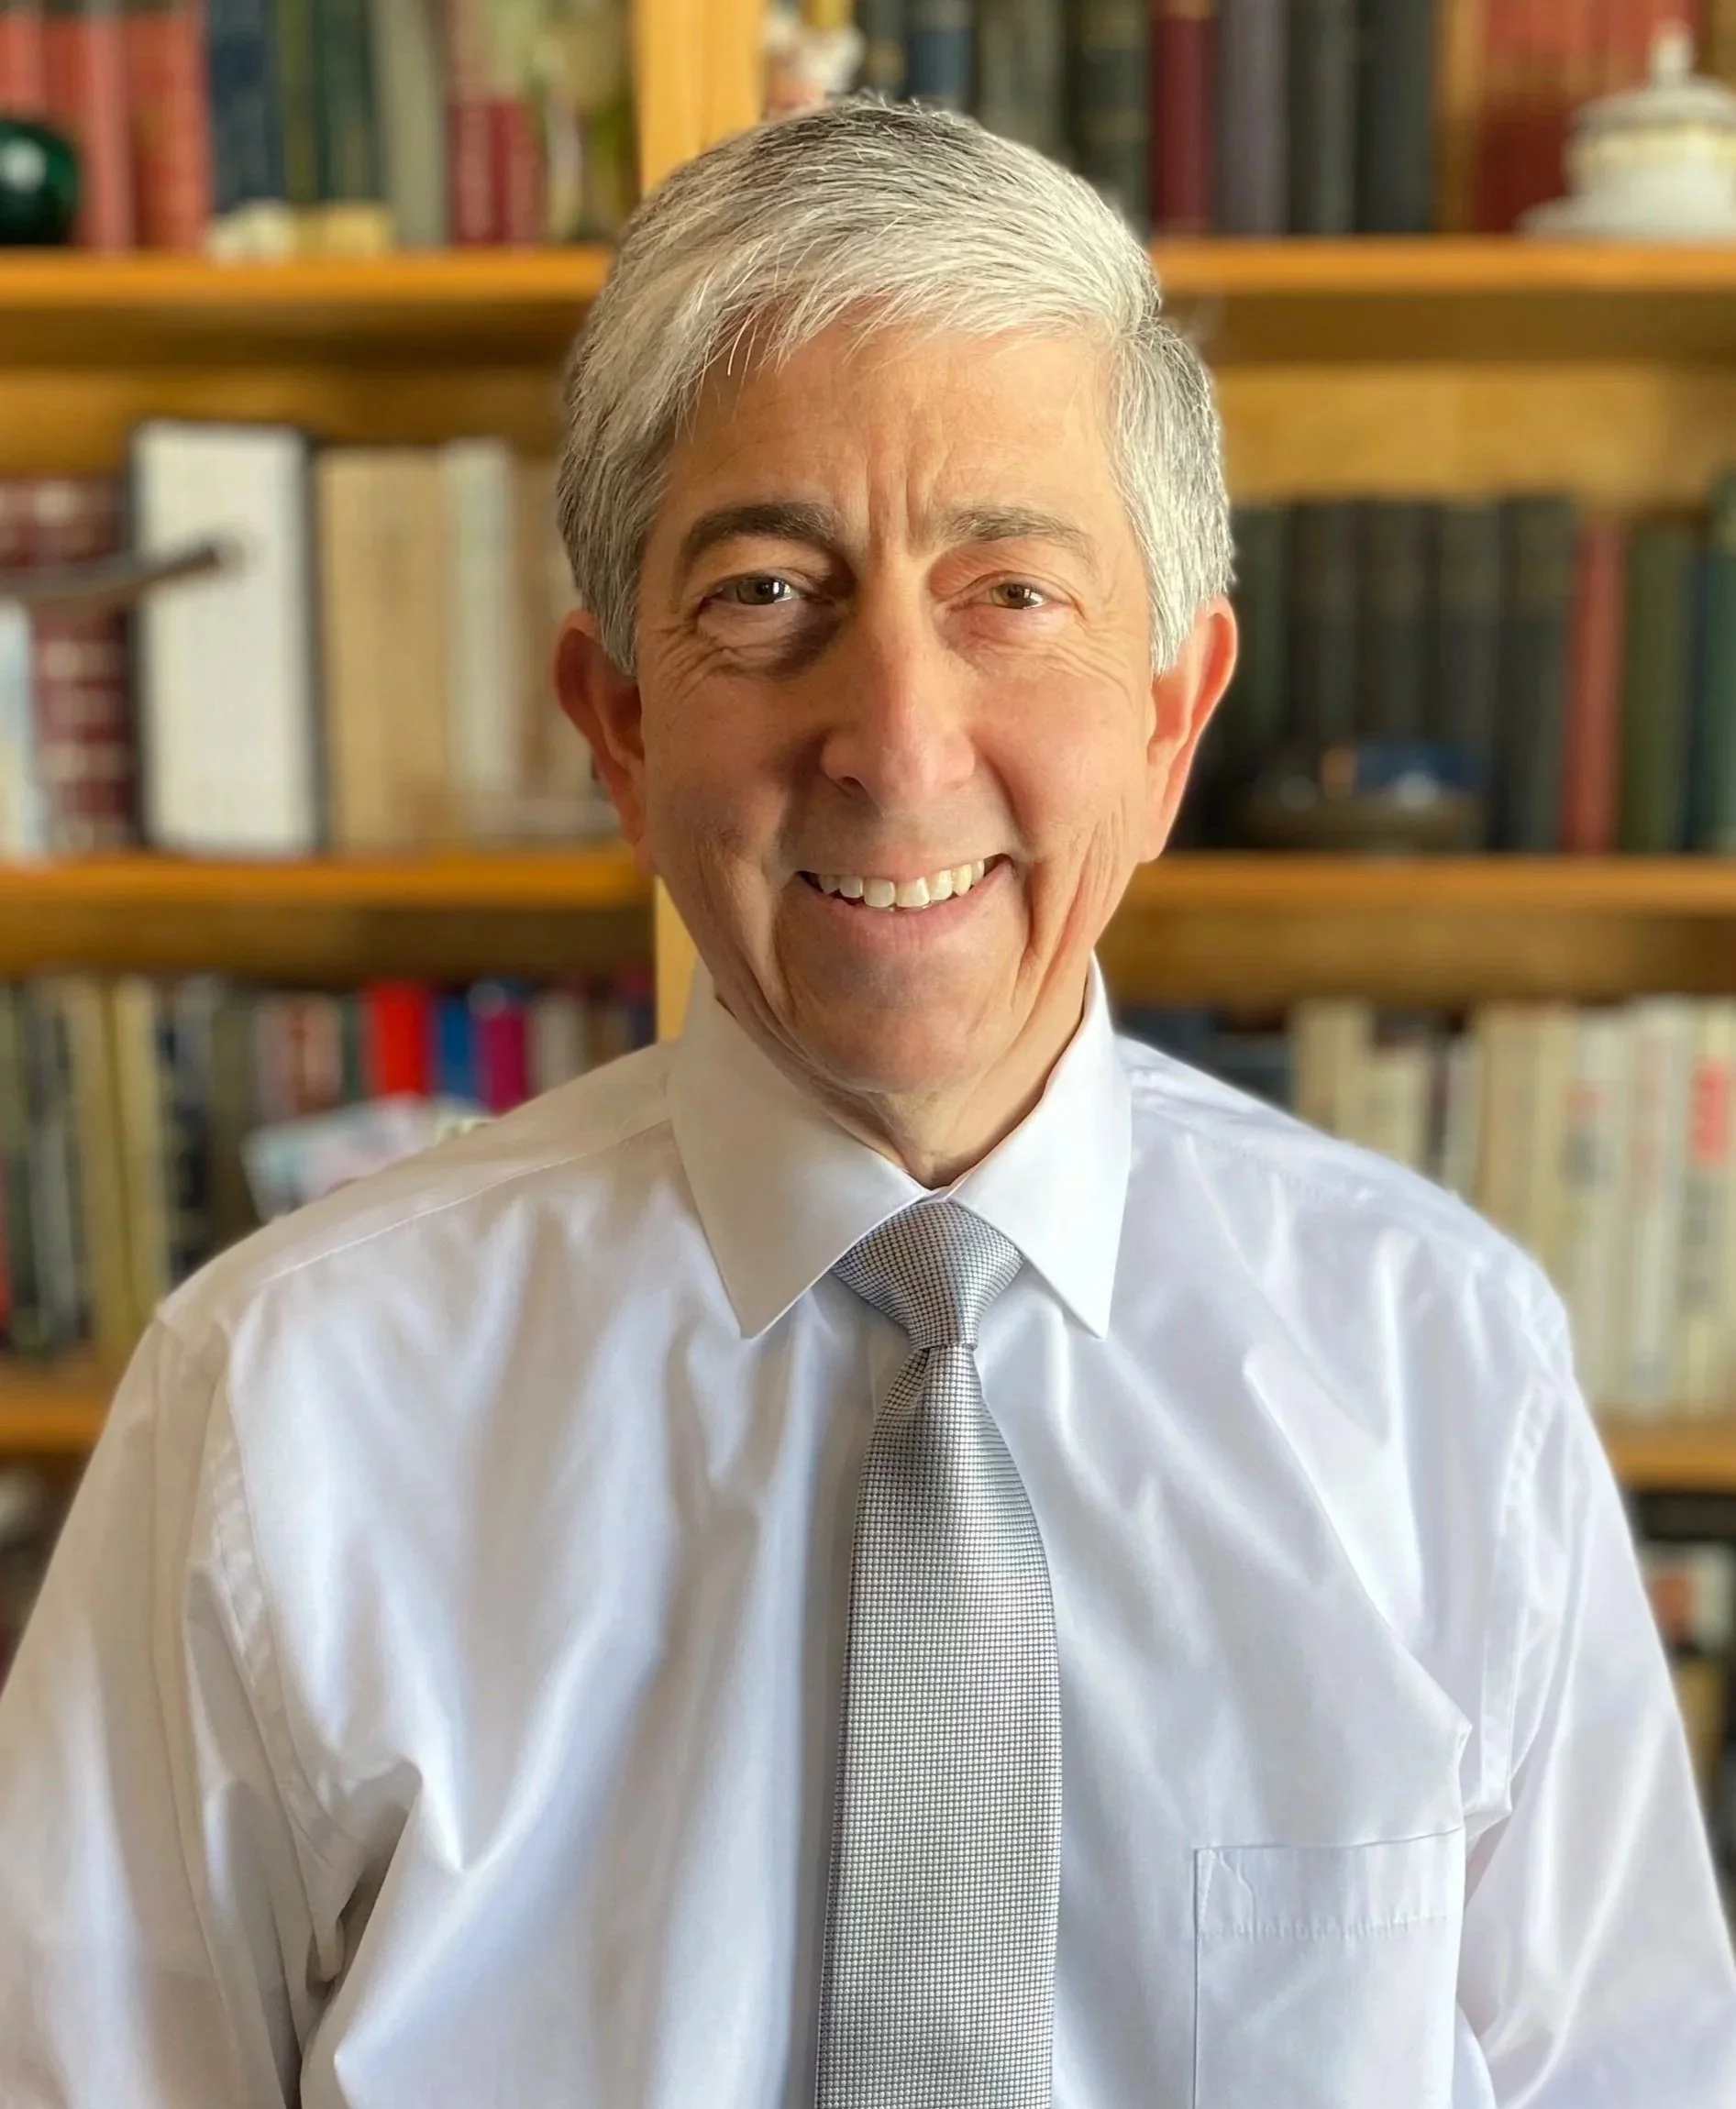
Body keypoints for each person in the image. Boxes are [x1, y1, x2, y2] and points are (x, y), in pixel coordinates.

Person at [1, 97, 1731, 2109]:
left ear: (1173, 718)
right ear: (619, 724)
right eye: (762, 592)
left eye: (1011, 593)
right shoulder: (279, 1399)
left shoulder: (1445, 1365)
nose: (897, 746)